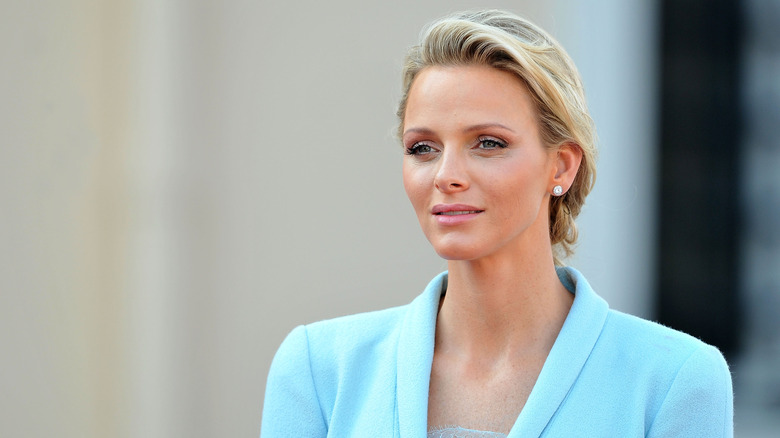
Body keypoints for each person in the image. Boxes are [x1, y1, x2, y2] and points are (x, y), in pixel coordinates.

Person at [260, 9, 733, 437]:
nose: (446, 176)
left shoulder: (673, 379)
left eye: (488, 142)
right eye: (422, 148)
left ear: (562, 167)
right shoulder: (320, 371)